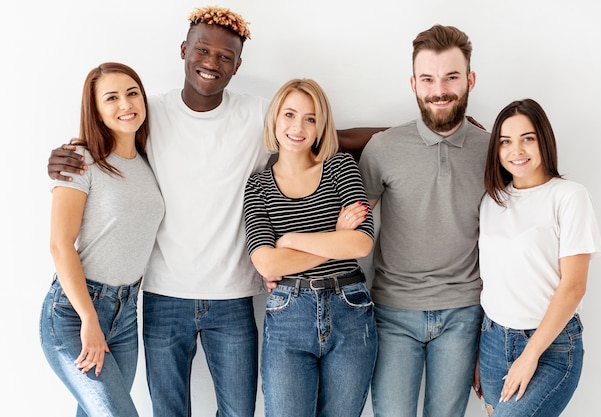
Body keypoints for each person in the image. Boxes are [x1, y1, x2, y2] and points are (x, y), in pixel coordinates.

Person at [46, 6, 384, 416]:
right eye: (202, 50)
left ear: (238, 65)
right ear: (184, 49)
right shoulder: (151, 112)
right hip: (163, 294)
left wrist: (421, 130)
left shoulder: (260, 114)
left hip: (234, 297)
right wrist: (65, 154)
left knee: (239, 412)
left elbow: (332, 136)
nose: (211, 62)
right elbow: (109, 133)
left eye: (225, 56)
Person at [358, 25, 489, 417]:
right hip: (392, 311)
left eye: (451, 77)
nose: (440, 90)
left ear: (470, 80)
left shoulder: (495, 150)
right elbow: (352, 230)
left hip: (464, 311)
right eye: (428, 79)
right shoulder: (383, 147)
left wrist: (494, 335)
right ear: (413, 84)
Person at [243, 78, 377, 417]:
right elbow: (268, 264)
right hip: (289, 312)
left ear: (321, 126)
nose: (298, 127)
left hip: (351, 308)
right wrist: (334, 235)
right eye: (289, 114)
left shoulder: (340, 166)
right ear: (275, 119)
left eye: (310, 118)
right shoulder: (258, 185)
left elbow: (361, 242)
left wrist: (290, 241)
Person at [39, 62, 165, 417]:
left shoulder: (146, 162)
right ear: (95, 109)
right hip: (74, 313)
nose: (126, 105)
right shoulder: (80, 160)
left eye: (132, 93)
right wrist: (89, 320)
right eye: (111, 98)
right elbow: (60, 244)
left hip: (126, 314)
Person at [477, 98, 601, 417]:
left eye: (527, 139)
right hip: (492, 340)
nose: (516, 150)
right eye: (505, 141)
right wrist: (480, 351)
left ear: (544, 140)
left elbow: (574, 287)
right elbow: (492, 279)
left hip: (550, 346)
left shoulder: (569, 197)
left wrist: (530, 355)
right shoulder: (492, 201)